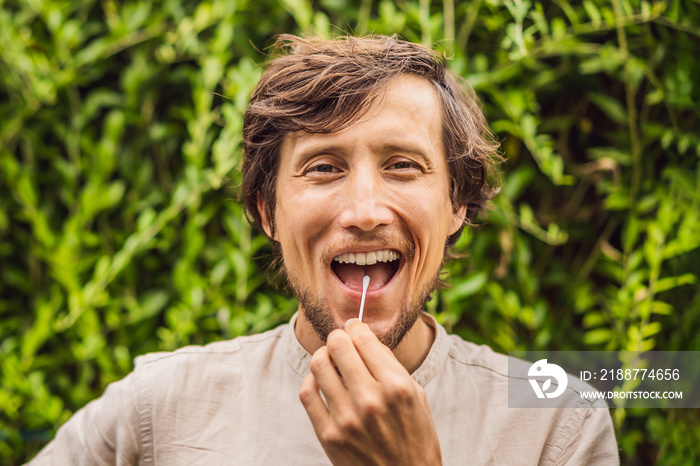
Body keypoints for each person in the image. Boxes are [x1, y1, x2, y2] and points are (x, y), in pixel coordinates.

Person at [27, 34, 619, 465]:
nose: (364, 211)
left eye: (403, 165)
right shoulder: (159, 405)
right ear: (268, 212)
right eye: (323, 167)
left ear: (456, 204)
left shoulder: (555, 424)